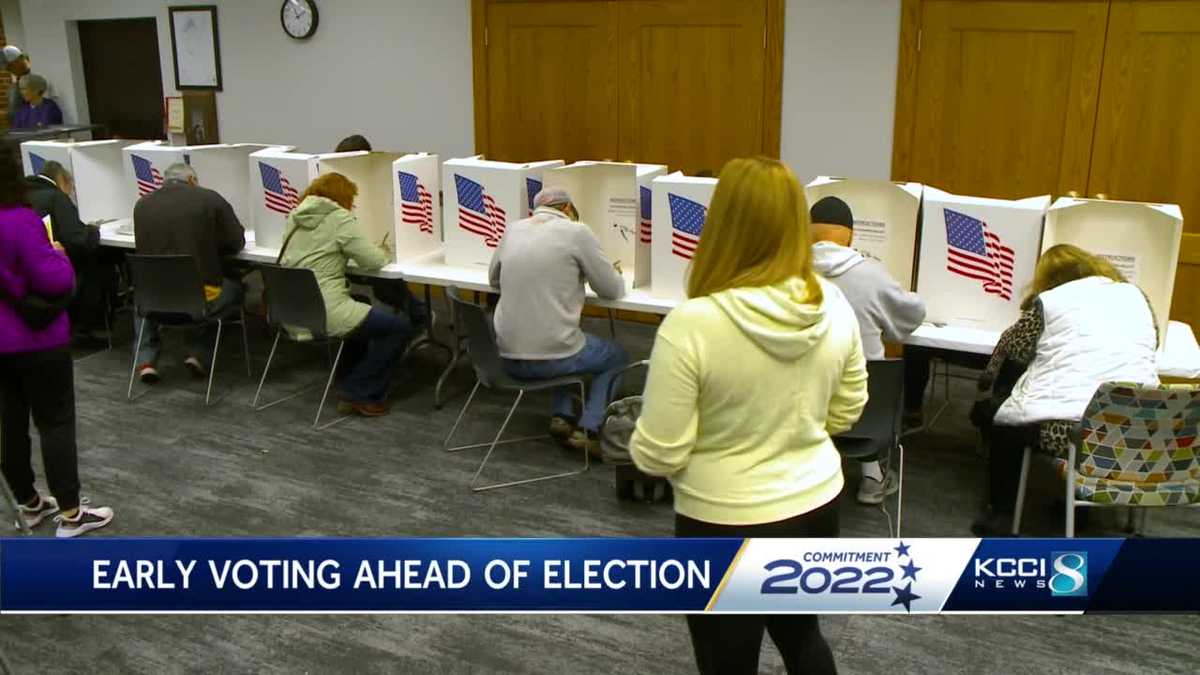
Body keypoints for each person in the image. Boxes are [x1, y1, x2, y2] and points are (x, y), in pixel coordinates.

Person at [630, 157, 866, 675]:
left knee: (727, 662)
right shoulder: (834, 304)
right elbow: (848, 411)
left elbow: (659, 452)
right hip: (816, 505)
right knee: (804, 639)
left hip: (720, 520)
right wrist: (792, 431)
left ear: (720, 224)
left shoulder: (692, 324)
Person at [970, 244, 1158, 536]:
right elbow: (1152, 341)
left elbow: (1015, 349)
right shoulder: (1136, 295)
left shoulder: (1050, 301)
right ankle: (1079, 503)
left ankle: (1001, 513)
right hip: (1141, 423)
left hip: (1076, 430)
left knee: (1006, 422)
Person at [0, 142, 114, 537]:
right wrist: (59, 254)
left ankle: (29, 504)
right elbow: (55, 279)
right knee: (55, 423)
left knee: (9, 423)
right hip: (37, 340)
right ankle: (70, 513)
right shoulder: (19, 219)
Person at [488, 187, 628, 455]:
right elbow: (610, 290)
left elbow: (493, 280)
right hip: (553, 358)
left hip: (504, 358)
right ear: (567, 209)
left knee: (566, 337)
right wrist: (613, 274)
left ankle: (562, 416)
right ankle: (591, 430)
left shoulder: (513, 229)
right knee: (616, 356)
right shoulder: (577, 232)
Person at [810, 196, 925, 504]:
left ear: (806, 234)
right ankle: (873, 477)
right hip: (863, 414)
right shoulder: (872, 275)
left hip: (796, 411)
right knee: (861, 372)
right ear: (851, 236)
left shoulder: (784, 274)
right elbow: (911, 316)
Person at [279, 172, 414, 417]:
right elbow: (372, 261)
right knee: (399, 327)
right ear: (343, 197)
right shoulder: (339, 218)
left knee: (360, 303)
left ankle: (347, 378)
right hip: (324, 311)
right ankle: (359, 390)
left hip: (293, 310)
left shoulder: (295, 216)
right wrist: (382, 249)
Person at [132, 163, 246, 383]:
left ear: (163, 181)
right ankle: (198, 355)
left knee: (143, 292)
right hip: (196, 301)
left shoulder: (141, 204)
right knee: (233, 288)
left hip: (152, 299)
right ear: (192, 180)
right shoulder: (209, 199)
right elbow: (236, 242)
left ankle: (145, 361)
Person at [25, 161, 112, 339]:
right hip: (59, 269)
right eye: (71, 188)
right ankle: (91, 327)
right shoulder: (56, 197)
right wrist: (93, 230)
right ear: (63, 180)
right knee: (103, 264)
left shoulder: (26, 194)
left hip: (29, 268)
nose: (71, 193)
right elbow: (77, 238)